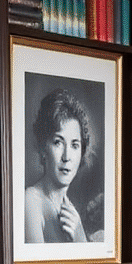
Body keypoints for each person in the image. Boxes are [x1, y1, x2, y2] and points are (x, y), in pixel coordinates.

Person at [24, 86, 95, 243]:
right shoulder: (30, 201)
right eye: (58, 142)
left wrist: (80, 236)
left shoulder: (68, 208)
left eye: (75, 145)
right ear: (43, 147)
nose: (67, 156)